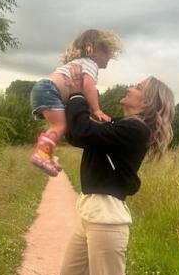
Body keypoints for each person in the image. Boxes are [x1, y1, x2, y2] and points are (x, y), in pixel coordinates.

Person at [58, 75, 175, 275]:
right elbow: (78, 136)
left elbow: (82, 131)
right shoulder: (121, 126)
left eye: (138, 86)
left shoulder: (136, 129)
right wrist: (84, 112)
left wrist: (80, 95)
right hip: (90, 212)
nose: (130, 87)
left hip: (107, 219)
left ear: (148, 100)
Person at [29, 29, 122, 176]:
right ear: (95, 51)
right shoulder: (90, 64)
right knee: (60, 126)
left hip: (44, 90)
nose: (110, 56)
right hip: (49, 90)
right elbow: (88, 86)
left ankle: (46, 155)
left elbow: (80, 95)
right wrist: (97, 109)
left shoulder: (79, 63)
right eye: (107, 52)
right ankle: (41, 156)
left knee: (59, 127)